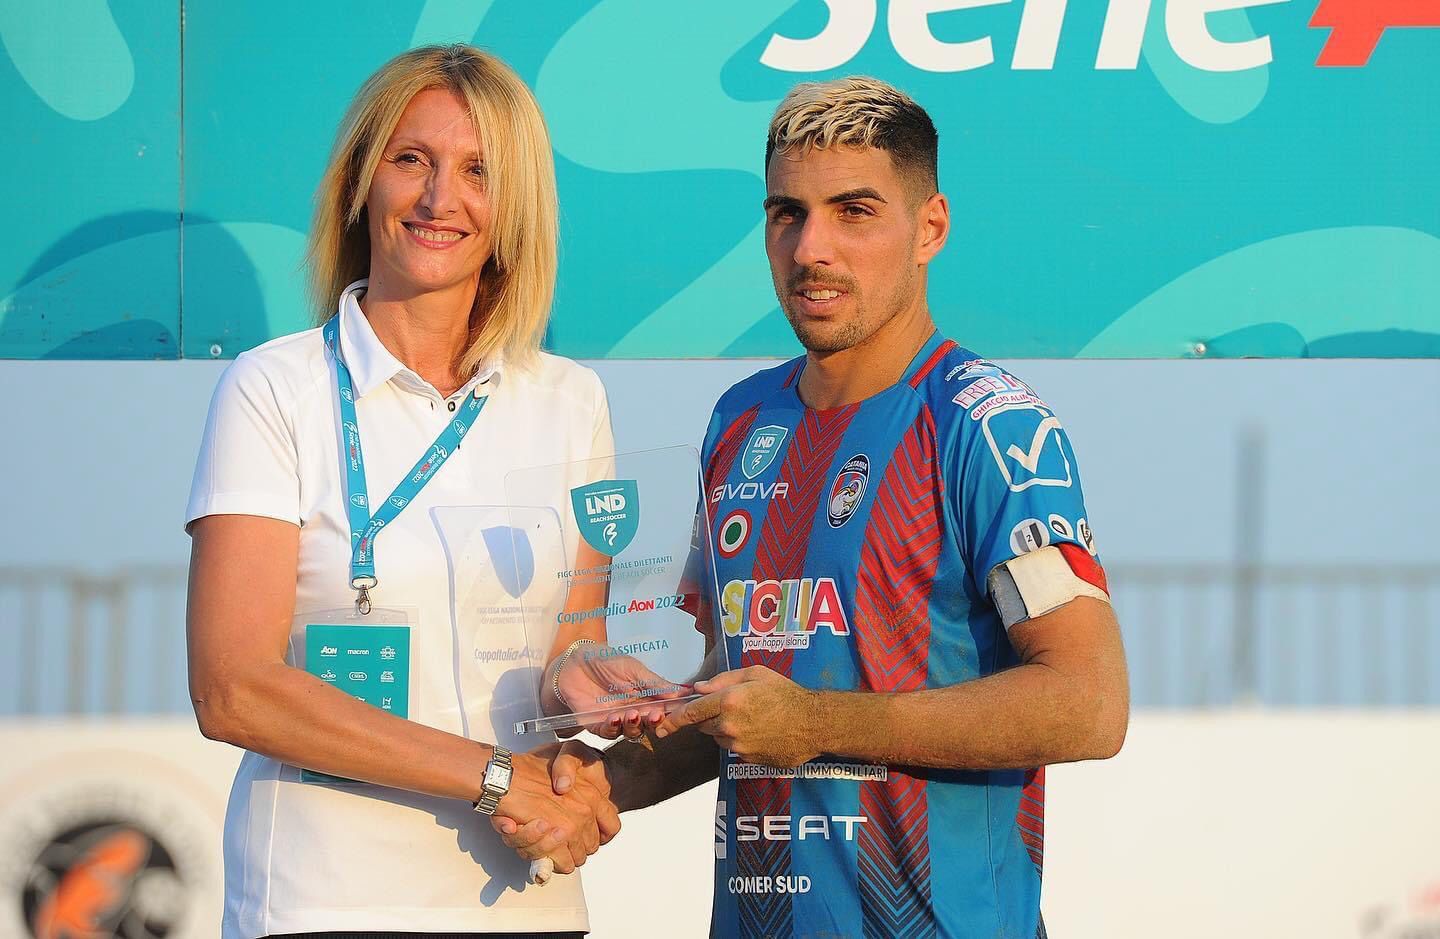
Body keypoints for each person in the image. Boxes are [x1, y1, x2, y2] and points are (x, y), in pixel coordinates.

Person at [503, 76, 1130, 938]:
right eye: (787, 213)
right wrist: (600, 781)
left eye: (855, 211)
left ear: (930, 229)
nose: (811, 249)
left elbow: (1089, 702)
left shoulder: (991, 425)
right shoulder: (741, 422)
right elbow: (741, 706)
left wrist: (818, 723)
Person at [185, 45, 617, 939]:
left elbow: (571, 656)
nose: (437, 198)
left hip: (526, 902)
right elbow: (232, 688)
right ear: (360, 181)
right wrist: (495, 773)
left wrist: (606, 705)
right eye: (410, 158)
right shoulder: (276, 388)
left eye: (477, 171)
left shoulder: (571, 400)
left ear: (515, 209)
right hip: (319, 902)